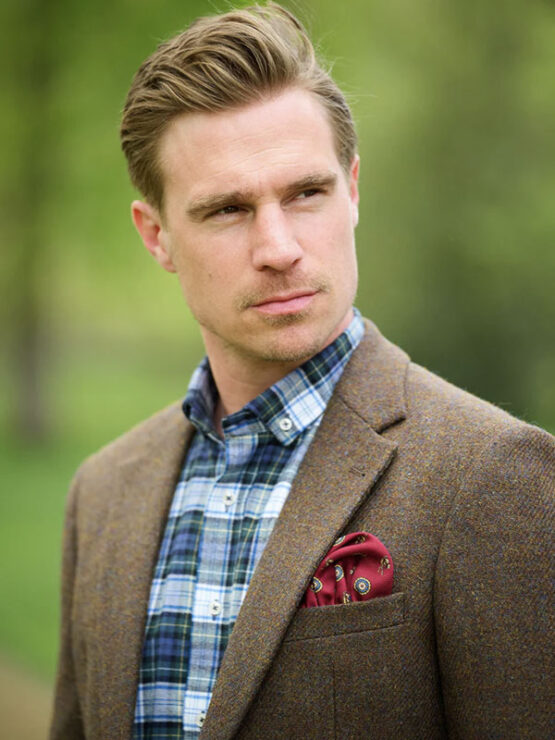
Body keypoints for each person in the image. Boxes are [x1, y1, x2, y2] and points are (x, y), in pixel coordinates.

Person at [49, 4, 554, 739]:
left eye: (306, 193)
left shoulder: (493, 476)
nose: (279, 247)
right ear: (156, 235)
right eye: (228, 209)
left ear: (353, 189)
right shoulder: (101, 494)